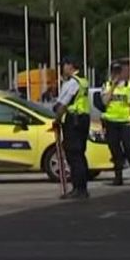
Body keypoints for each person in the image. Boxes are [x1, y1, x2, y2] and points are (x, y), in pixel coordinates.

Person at [53, 56, 90, 199]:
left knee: (74, 155)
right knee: (80, 154)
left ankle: (78, 188)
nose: (62, 69)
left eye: (63, 65)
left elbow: (63, 104)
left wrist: (56, 119)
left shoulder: (72, 83)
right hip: (83, 120)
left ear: (70, 66)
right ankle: (82, 187)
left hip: (73, 121)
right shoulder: (83, 81)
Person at [102, 62, 130, 186]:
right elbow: (105, 101)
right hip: (111, 122)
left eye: (118, 72)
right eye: (114, 72)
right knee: (115, 150)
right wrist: (113, 87)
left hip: (125, 122)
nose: (116, 75)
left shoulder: (128, 86)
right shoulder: (107, 85)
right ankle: (118, 177)